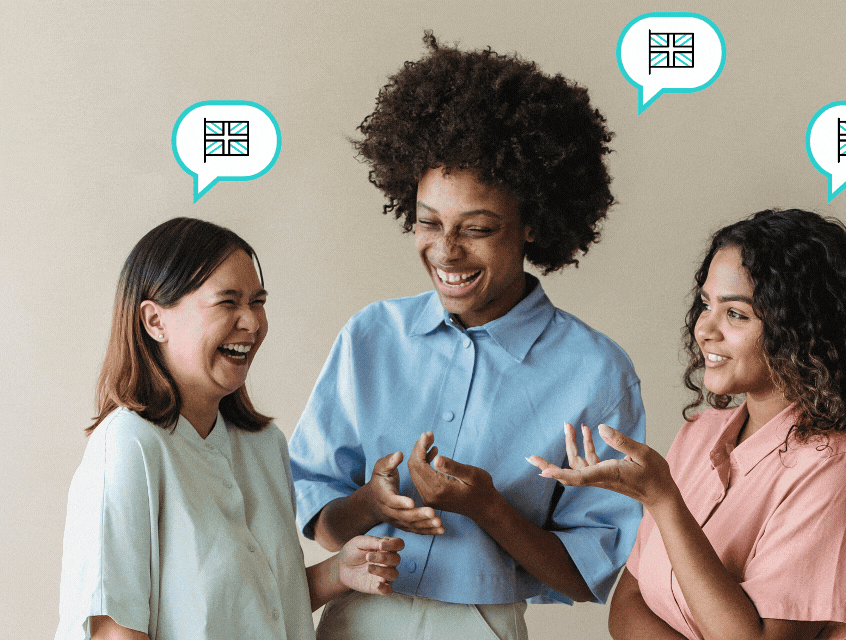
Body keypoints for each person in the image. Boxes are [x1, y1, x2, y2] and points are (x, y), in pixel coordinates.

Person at [288, 33, 646, 639]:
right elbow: (321, 523)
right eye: (429, 222)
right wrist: (374, 503)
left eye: (476, 228)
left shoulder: (595, 371)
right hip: (358, 618)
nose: (446, 251)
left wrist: (488, 509)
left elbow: (588, 575)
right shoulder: (372, 336)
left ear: (533, 223)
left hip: (482, 627)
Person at [530, 208, 846, 640]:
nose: (705, 328)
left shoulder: (844, 468)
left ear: (802, 329)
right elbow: (628, 606)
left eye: (736, 314)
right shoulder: (699, 435)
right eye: (707, 304)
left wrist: (664, 501)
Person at [55, 217, 403, 640]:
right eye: (228, 302)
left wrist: (338, 571)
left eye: (258, 301)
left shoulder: (264, 445)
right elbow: (114, 631)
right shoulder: (129, 445)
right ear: (155, 321)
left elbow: (255, 607)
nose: (253, 323)